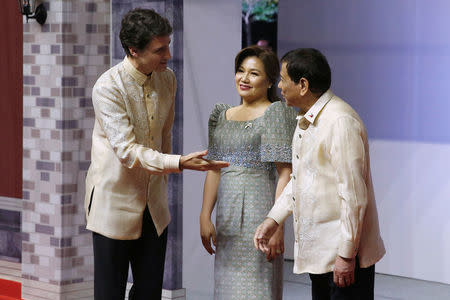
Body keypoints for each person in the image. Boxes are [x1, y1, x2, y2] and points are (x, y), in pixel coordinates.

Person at [84, 8, 228, 300]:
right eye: (159, 49)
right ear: (134, 50)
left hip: (154, 206)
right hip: (114, 203)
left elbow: (164, 137)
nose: (168, 55)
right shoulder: (108, 87)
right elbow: (126, 151)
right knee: (109, 293)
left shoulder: (167, 79)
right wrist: (178, 163)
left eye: (168, 46)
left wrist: (171, 162)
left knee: (150, 293)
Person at [254, 48, 386, 300]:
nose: (280, 86)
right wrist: (273, 219)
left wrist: (347, 255)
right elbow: (301, 178)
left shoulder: (340, 121)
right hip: (324, 255)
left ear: (303, 84)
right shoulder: (309, 118)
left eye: (283, 79)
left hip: (344, 256)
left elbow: (354, 196)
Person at [200, 46, 297, 300]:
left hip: (260, 214)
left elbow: (285, 173)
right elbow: (214, 169)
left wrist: (277, 226)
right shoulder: (221, 115)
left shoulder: (276, 113)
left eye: (253, 73)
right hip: (227, 218)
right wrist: (204, 215)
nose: (244, 78)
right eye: (240, 71)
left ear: (269, 81)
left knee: (258, 289)